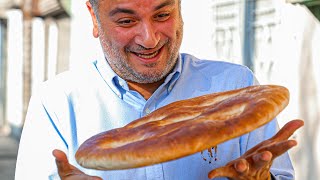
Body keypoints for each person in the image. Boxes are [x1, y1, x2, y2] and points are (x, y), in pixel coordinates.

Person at [15, 0, 303, 179]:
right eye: (126, 21)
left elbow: (276, 175)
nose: (149, 38)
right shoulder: (55, 102)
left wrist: (262, 179)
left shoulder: (236, 86)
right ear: (94, 17)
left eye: (163, 15)